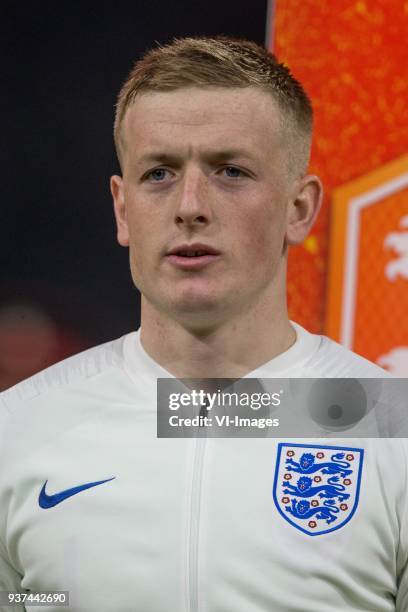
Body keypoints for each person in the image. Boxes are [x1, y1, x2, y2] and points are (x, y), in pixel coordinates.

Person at [0, 35, 406, 612]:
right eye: (160, 173)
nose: (190, 205)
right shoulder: (18, 431)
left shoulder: (394, 429)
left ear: (300, 209)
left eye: (231, 171)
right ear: (122, 208)